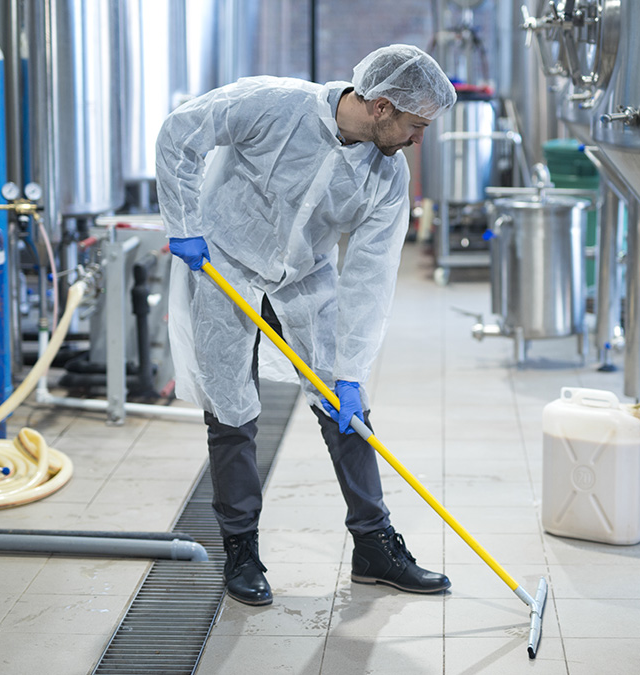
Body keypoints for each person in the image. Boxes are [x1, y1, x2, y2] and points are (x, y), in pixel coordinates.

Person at [155, 45, 456, 606]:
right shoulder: (271, 104)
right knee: (231, 411)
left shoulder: (388, 176)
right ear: (383, 106)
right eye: (416, 126)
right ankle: (240, 548)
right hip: (226, 262)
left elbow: (370, 277)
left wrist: (352, 371)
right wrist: (185, 224)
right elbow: (181, 134)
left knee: (348, 411)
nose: (419, 140)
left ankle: (374, 547)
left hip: (304, 277)